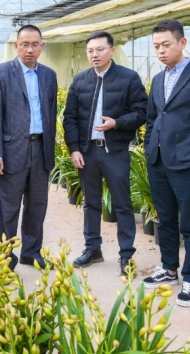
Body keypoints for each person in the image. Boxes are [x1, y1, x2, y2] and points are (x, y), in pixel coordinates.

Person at [142, 19, 190, 308]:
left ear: (182, 43)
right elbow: (153, 118)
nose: (161, 51)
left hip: (186, 163)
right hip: (158, 161)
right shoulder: (157, 79)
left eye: (166, 44)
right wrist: (149, 146)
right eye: (156, 46)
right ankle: (169, 268)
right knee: (165, 219)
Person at [63, 31, 147, 276]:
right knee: (91, 203)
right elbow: (70, 118)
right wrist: (74, 148)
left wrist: (117, 123)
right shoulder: (80, 80)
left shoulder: (128, 78)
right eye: (90, 50)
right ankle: (93, 249)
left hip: (115, 151)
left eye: (100, 49)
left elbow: (142, 112)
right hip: (87, 152)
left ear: (112, 50)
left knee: (122, 204)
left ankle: (126, 254)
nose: (95, 54)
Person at [0, 24, 57, 270]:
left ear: (42, 47)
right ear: (16, 46)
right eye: (24, 44)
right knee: (8, 207)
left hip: (41, 149)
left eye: (35, 45)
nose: (29, 49)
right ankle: (4, 258)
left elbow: (51, 113)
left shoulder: (48, 75)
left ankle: (31, 252)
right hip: (12, 150)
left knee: (37, 205)